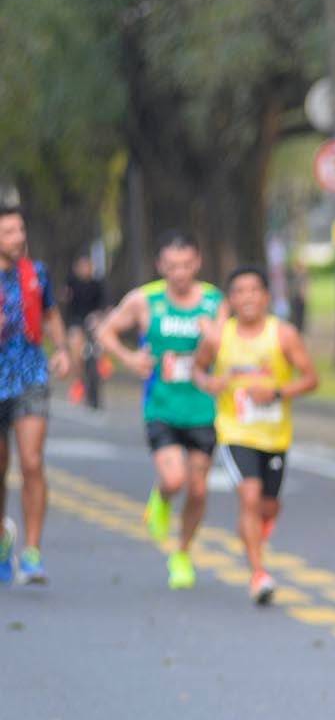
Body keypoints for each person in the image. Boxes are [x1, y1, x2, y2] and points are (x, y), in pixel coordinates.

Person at [91, 231, 225, 590]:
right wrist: (129, 357)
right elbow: (105, 332)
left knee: (198, 490)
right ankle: (161, 498)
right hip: (161, 406)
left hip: (202, 409)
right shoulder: (144, 299)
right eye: (172, 266)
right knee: (174, 480)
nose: (179, 273)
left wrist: (214, 340)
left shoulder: (214, 301)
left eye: (186, 265)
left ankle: (182, 553)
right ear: (160, 265)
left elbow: (230, 346)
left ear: (197, 262)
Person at [194, 267, 319, 604]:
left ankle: (254, 535)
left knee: (269, 505)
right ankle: (258, 573)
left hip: (275, 435)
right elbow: (198, 370)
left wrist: (277, 392)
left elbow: (311, 378)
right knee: (249, 496)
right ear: (230, 299)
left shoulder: (284, 335)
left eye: (254, 290)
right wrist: (210, 383)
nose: (247, 297)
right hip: (235, 431)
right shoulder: (219, 336)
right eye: (240, 291)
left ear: (266, 296)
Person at [0, 207, 71, 586]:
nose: (17, 237)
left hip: (30, 376)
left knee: (31, 462)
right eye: (8, 231)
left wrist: (60, 348)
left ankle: (32, 552)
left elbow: (51, 314)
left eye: (19, 229)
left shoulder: (35, 273)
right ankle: (1, 540)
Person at [61, 254, 108, 410]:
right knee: (75, 342)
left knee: (102, 338)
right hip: (77, 322)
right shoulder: (72, 283)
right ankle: (78, 379)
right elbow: (65, 304)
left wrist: (98, 316)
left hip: (93, 322)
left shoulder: (98, 284)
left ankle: (103, 362)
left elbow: (105, 306)